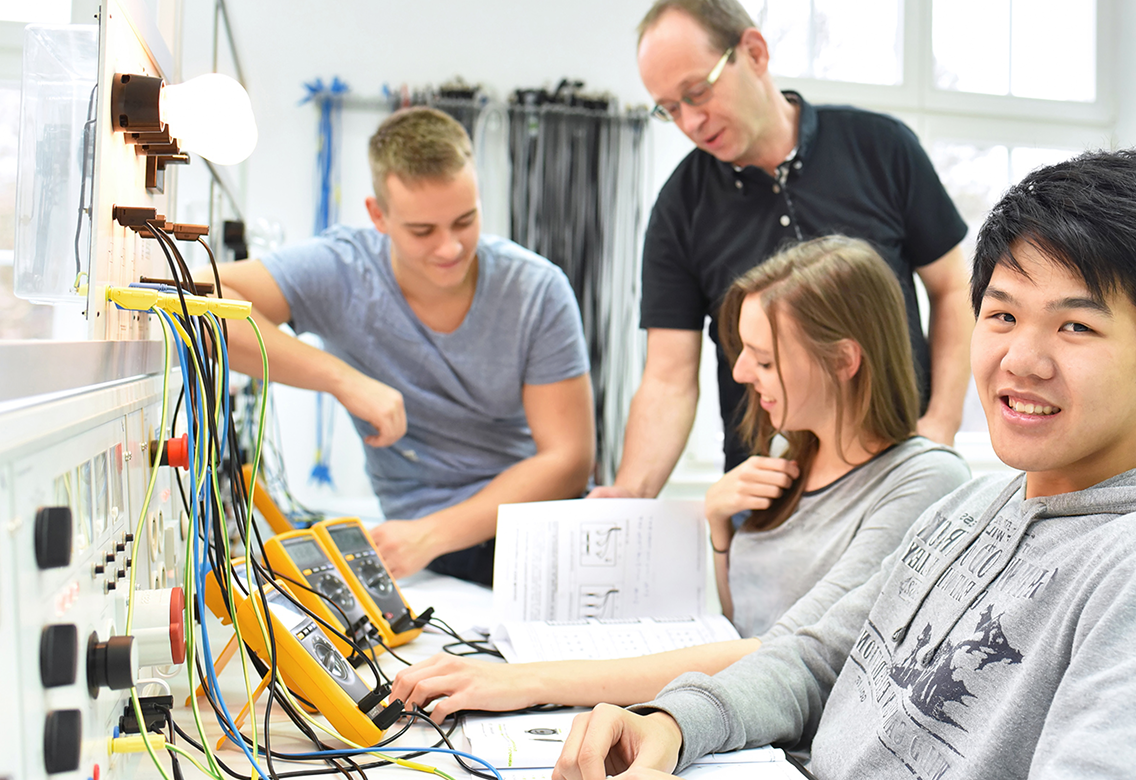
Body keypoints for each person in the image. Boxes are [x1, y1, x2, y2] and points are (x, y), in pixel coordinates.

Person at [552, 149, 1136, 780]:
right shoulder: (963, 511)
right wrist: (671, 722)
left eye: (1075, 326)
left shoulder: (1115, 566)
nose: (1021, 359)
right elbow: (817, 659)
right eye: (1002, 315)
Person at [389, 236, 968, 721]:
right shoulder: (793, 457)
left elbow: (786, 652)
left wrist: (530, 681)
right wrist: (718, 526)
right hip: (725, 708)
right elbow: (741, 619)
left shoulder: (923, 482)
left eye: (764, 359)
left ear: (845, 360)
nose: (741, 372)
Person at [593, 0, 972, 501]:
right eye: (670, 108)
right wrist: (631, 492)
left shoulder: (882, 148)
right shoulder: (679, 206)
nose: (690, 121)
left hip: (899, 474)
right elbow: (667, 377)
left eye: (697, 92)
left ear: (753, 52)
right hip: (767, 493)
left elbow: (953, 289)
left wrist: (940, 425)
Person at [215, 107, 595, 585]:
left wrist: (432, 534)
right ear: (379, 216)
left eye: (465, 221)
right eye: (423, 231)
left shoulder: (536, 289)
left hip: (533, 533)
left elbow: (569, 460)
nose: (450, 248)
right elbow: (207, 307)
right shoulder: (342, 270)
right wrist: (342, 380)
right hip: (431, 559)